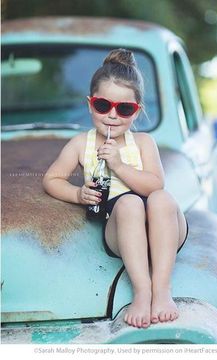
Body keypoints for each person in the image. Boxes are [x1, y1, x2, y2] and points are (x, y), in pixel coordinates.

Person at [43, 48, 188, 329]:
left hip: (164, 229)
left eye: (123, 109)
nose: (112, 115)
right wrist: (77, 194)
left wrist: (119, 166)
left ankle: (162, 290)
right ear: (90, 104)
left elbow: (156, 184)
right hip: (120, 230)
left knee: (160, 198)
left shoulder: (144, 142)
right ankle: (142, 291)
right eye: (102, 106)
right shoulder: (80, 144)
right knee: (129, 204)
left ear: (137, 111)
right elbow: (51, 179)